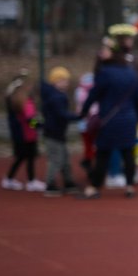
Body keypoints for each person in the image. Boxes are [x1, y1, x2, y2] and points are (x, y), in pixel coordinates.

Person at [78, 29, 138, 199]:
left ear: (113, 52)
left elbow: (94, 94)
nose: (101, 53)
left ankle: (94, 187)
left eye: (105, 50)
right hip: (129, 118)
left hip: (109, 119)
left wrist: (84, 112)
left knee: (103, 153)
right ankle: (130, 186)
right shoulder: (131, 73)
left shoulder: (105, 73)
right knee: (128, 153)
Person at [40, 66, 81, 196]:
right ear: (56, 81)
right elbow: (61, 114)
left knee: (65, 159)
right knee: (56, 159)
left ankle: (69, 182)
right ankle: (50, 184)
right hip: (54, 133)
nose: (67, 83)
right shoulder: (56, 97)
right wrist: (78, 116)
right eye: (63, 80)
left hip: (57, 132)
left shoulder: (54, 95)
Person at [3, 71, 45, 192]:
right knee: (27, 157)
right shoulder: (24, 101)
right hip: (26, 135)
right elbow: (29, 119)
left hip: (21, 135)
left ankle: (12, 179)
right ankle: (30, 181)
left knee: (22, 157)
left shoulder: (13, 100)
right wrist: (40, 125)